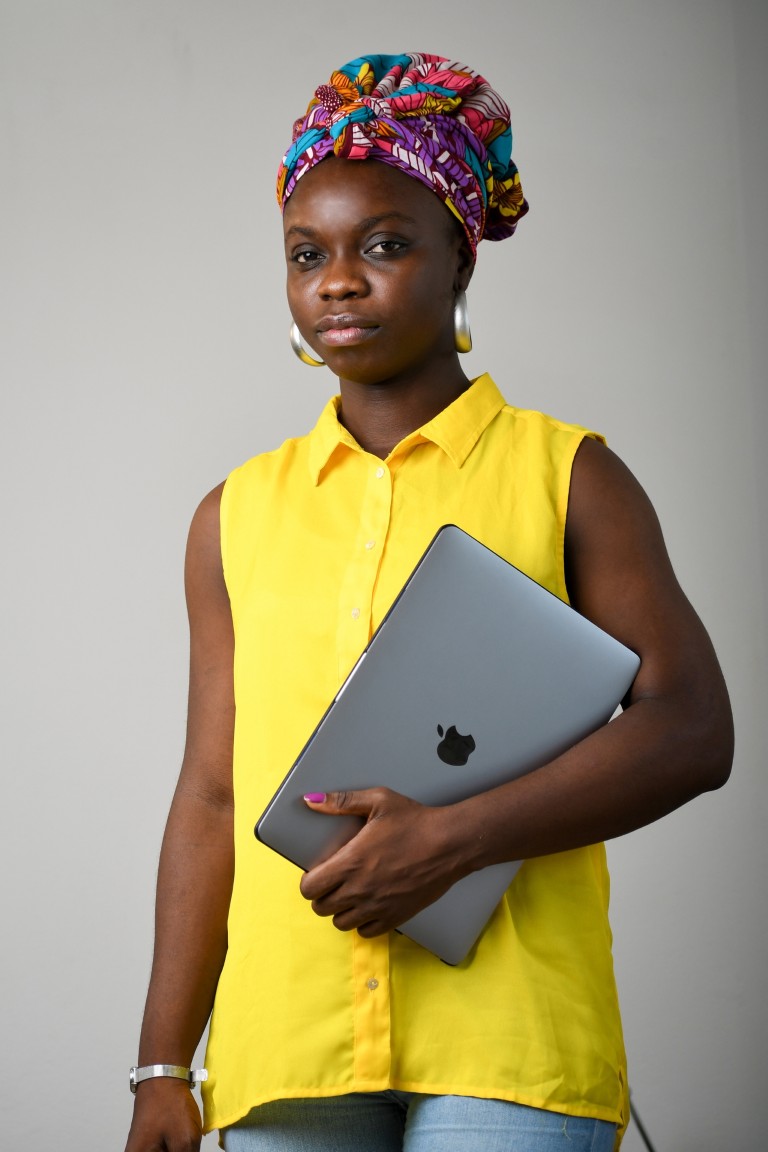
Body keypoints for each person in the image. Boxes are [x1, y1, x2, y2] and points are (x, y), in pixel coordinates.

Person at [124, 53, 733, 1152]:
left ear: (459, 255)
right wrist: (164, 1064)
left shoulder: (570, 476)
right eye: (307, 254)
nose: (337, 282)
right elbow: (212, 796)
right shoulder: (233, 515)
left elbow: (694, 728)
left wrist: (455, 839)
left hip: (513, 1035)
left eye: (383, 245)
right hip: (287, 1040)